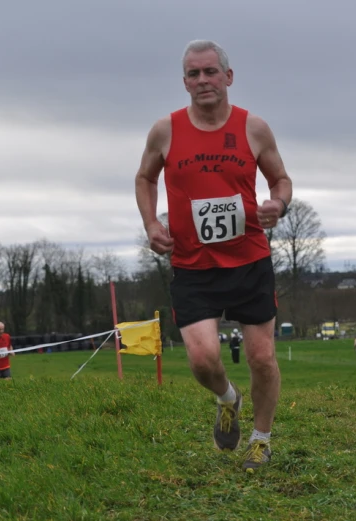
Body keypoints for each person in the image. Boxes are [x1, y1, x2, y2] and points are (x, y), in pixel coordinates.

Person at [134, 39, 292, 472]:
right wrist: (151, 224)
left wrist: (278, 204)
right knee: (203, 360)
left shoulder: (253, 128)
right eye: (193, 74)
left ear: (228, 76)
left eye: (210, 72)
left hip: (249, 259)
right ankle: (228, 398)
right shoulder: (165, 130)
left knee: (261, 356)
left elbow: (281, 180)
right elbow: (145, 178)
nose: (202, 81)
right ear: (184, 81)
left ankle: (261, 440)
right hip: (193, 265)